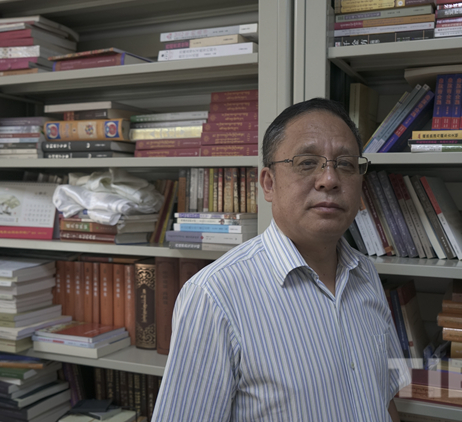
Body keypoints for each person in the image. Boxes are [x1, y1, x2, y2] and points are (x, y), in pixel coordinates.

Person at [152, 98, 410, 422]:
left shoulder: (366, 273)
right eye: (307, 162)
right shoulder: (213, 296)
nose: (329, 179)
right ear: (269, 184)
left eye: (345, 164)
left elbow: (383, 399)